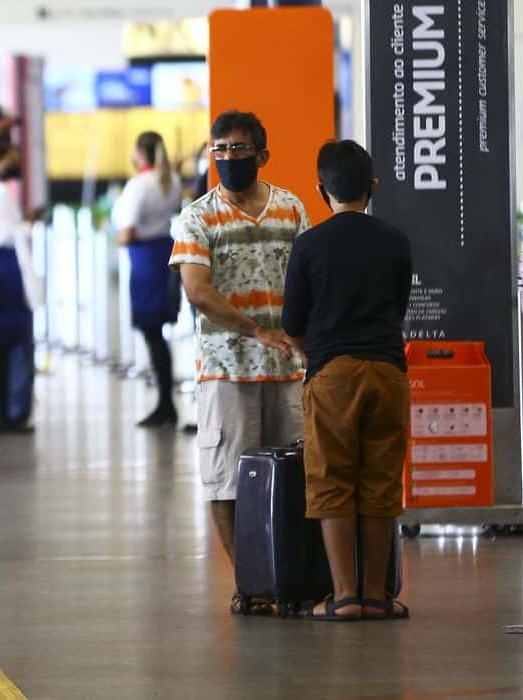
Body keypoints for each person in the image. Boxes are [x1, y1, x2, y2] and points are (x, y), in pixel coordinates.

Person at [168, 110, 308, 614]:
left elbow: (309, 281)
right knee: (228, 478)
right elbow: (198, 292)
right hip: (226, 368)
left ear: (262, 155)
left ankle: (293, 575)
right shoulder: (197, 217)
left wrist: (298, 338)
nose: (227, 159)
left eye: (238, 150)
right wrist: (256, 331)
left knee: (296, 478)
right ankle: (251, 583)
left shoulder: (291, 210)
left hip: (288, 369)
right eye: (219, 150)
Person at [282, 140, 412, 621]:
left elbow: (293, 321)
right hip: (387, 371)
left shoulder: (308, 245)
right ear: (372, 187)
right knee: (380, 482)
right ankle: (377, 595)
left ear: (321, 190)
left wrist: (314, 354)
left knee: (332, 481)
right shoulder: (396, 240)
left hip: (332, 372)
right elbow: (397, 310)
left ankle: (343, 597)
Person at [112, 131, 184, 428]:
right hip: (164, 253)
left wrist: (118, 238)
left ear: (140, 152)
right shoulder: (172, 180)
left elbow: (126, 232)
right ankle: (165, 401)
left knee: (151, 333)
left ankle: (166, 403)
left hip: (144, 260)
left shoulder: (138, 185)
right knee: (157, 332)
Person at [0, 140, 43, 433]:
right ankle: (8, 414)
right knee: (10, 346)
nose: (17, 165)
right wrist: (27, 225)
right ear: (0, 160)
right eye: (13, 158)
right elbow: (6, 234)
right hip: (7, 273)